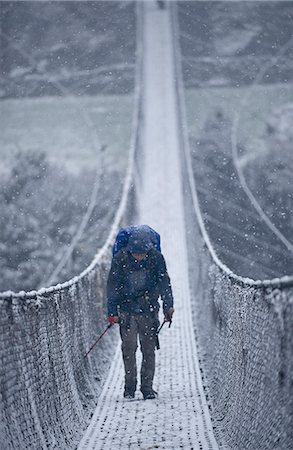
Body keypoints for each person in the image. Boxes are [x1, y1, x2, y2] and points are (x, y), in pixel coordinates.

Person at [107, 225, 174, 400]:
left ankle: (147, 388)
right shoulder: (120, 259)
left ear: (148, 249)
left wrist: (169, 306)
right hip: (127, 312)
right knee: (129, 348)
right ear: (129, 250)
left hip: (149, 311)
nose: (138, 257)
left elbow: (164, 283)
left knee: (148, 349)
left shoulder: (157, 259)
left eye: (142, 253)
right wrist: (112, 311)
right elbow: (113, 286)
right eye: (135, 253)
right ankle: (129, 388)